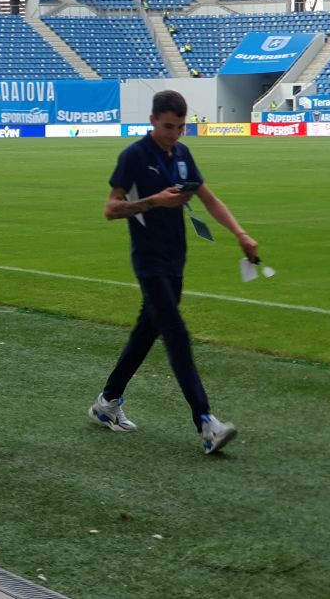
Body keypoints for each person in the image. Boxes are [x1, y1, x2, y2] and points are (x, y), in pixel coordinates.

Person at [90, 90, 259, 454]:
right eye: (168, 126)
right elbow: (110, 209)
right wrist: (155, 201)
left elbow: (208, 199)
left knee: (146, 333)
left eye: (180, 127)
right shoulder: (135, 156)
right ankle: (206, 422)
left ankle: (107, 402)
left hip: (175, 260)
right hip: (149, 262)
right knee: (176, 335)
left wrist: (240, 233)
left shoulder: (182, 154)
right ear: (153, 120)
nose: (174, 134)